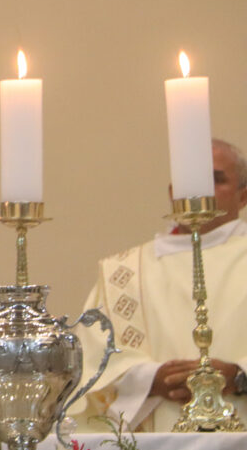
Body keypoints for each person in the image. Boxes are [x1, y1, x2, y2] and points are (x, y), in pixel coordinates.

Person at [74, 139, 247, 433]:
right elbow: (92, 359)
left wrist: (239, 376)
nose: (201, 191)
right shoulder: (124, 271)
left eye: (217, 180)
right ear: (171, 193)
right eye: (190, 181)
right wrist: (153, 378)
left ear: (243, 196)